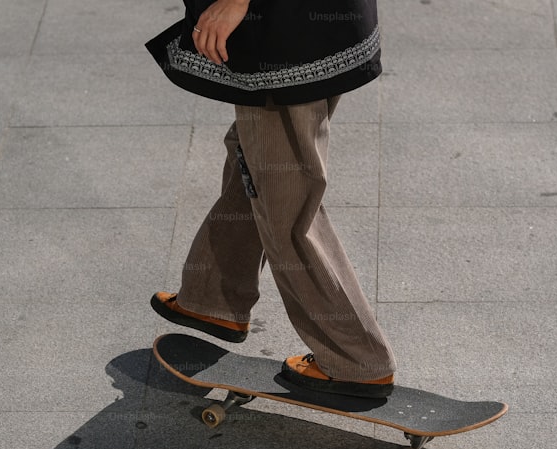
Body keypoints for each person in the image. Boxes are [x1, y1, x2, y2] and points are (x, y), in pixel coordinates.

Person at [146, 0, 396, 398]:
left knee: (286, 198)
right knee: (260, 155)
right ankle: (212, 296)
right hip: (309, 24)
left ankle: (356, 360)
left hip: (282, 27)